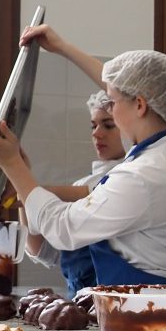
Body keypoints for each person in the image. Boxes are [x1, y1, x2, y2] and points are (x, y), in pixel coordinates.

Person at [0, 25, 166, 296]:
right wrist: (62, 47)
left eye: (113, 105)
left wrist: (12, 164)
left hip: (149, 319)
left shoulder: (141, 177)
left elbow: (63, 228)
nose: (110, 111)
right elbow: (128, 89)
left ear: (140, 105)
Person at [21, 89, 128, 289]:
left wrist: (22, 179)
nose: (97, 133)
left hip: (120, 303)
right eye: (93, 125)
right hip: (79, 306)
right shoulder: (83, 183)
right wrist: (20, 185)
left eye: (108, 125)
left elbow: (92, 193)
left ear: (129, 125)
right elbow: (42, 250)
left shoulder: (131, 179)